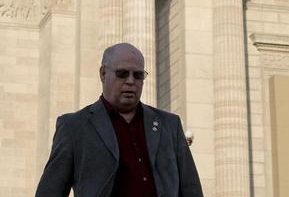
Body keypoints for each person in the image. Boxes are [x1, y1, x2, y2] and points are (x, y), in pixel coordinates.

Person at [34, 42, 204, 197]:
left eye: (138, 75)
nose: (130, 81)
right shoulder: (74, 127)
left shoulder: (169, 125)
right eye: (122, 74)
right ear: (103, 74)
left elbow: (191, 189)